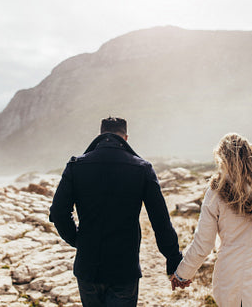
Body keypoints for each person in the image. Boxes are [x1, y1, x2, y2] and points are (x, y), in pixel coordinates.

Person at [49, 117, 183, 307]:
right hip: (124, 269)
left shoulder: (76, 166)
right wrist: (173, 259)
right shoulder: (142, 168)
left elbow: (58, 212)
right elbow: (160, 221)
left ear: (100, 135)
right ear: (125, 138)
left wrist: (78, 240)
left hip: (88, 267)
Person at [171, 133, 252, 306]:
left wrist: (182, 274)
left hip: (233, 280)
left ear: (222, 160)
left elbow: (203, 243)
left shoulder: (217, 190)